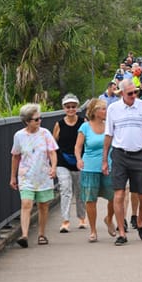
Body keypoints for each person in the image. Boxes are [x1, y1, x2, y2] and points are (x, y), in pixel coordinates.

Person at [102, 79, 142, 245]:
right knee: (119, 194)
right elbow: (109, 134)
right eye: (130, 93)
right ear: (122, 94)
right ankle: (122, 232)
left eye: (135, 92)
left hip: (139, 154)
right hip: (120, 154)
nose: (134, 96)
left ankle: (139, 220)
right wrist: (105, 159)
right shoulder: (113, 109)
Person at [10, 104, 57, 247]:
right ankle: (24, 235)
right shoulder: (19, 136)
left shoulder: (45, 133)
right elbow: (15, 156)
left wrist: (53, 167)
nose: (39, 121)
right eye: (36, 119)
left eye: (40, 118)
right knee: (26, 204)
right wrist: (12, 176)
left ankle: (42, 234)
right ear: (27, 121)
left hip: (43, 175)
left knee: (43, 205)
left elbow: (52, 152)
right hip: (26, 176)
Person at [75, 98, 116, 242]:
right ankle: (93, 230)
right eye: (103, 109)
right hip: (90, 167)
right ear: (95, 111)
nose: (106, 111)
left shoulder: (109, 126)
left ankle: (109, 218)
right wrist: (79, 159)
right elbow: (78, 147)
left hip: (108, 166)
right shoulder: (85, 127)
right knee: (90, 199)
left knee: (114, 196)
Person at [52, 93, 88, 233]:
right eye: (68, 107)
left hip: (79, 161)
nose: (71, 109)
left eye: (73, 107)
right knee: (65, 189)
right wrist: (53, 164)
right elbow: (54, 145)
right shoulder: (59, 124)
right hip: (63, 161)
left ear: (77, 107)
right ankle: (65, 220)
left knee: (80, 191)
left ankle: (82, 218)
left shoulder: (82, 123)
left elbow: (87, 141)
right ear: (64, 108)